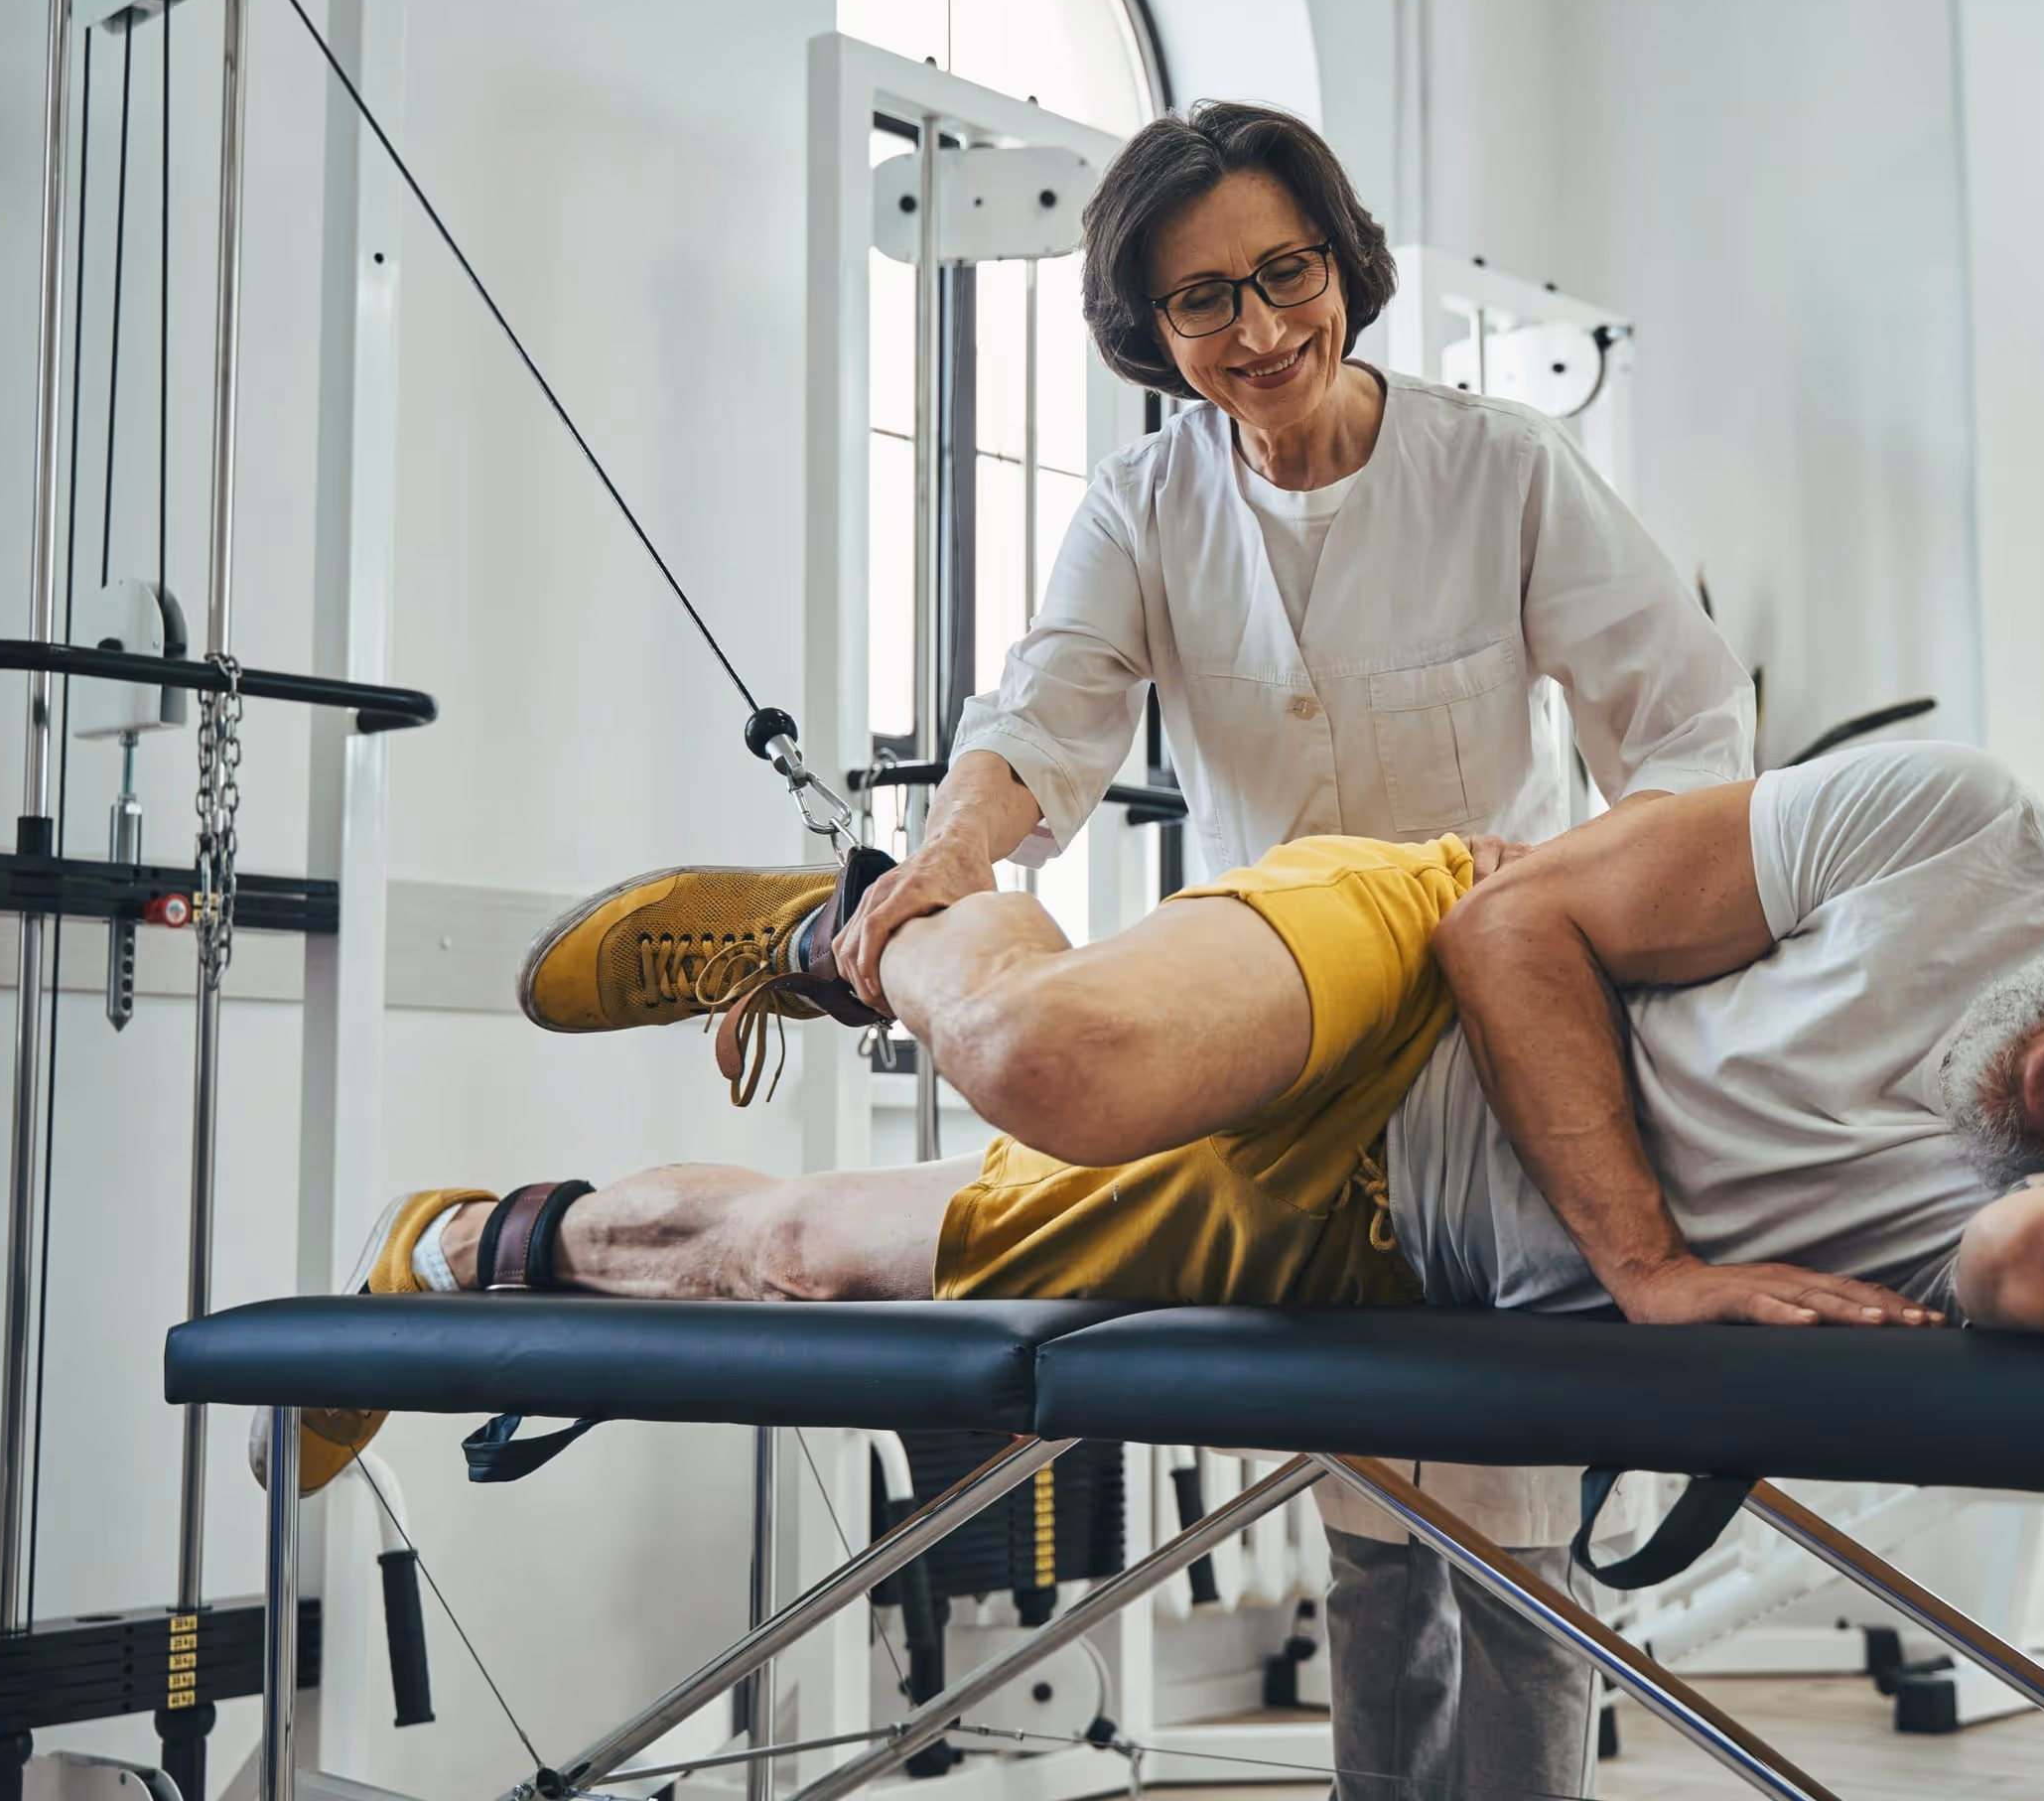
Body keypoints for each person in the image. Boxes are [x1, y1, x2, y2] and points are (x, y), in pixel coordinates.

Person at [669, 97, 1746, 1794]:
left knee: (1519, 1513)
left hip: (1495, 1035)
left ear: (1341, 264)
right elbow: (1048, 717)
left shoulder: (1503, 470)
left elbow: (1688, 738)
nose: (1259, 330)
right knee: (1370, 1506)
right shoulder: (1144, 501)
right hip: (1277, 1032)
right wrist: (940, 864)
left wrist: (1582, 888)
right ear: (1147, 328)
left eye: (1285, 274)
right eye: (1202, 302)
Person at [295, 742, 2044, 1551]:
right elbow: (1525, 913)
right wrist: (1640, 1254)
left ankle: (484, 1246)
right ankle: (868, 922)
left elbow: (2043, 1276)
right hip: (1410, 970)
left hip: (1384, 1238)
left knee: (801, 1264)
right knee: (1050, 1059)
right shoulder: (1969, 834)